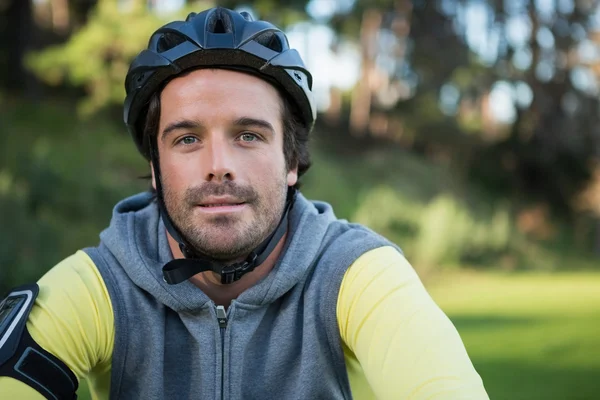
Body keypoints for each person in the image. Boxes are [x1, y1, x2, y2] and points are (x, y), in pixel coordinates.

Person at [0, 7, 489, 400]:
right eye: (187, 138)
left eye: (249, 135)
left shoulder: (357, 276)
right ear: (155, 166)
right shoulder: (99, 287)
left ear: (291, 160)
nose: (219, 165)